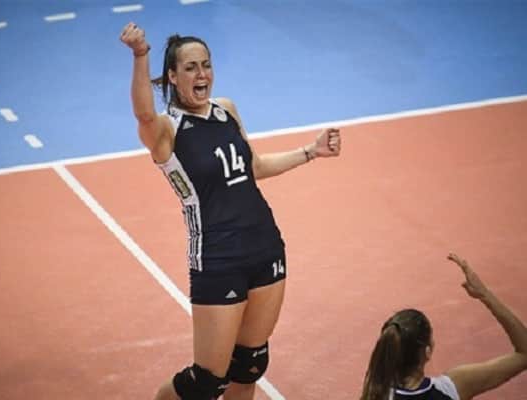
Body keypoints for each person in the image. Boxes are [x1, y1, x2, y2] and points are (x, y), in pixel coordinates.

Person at [119, 22, 341, 400]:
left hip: (265, 246)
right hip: (217, 257)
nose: (202, 74)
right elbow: (143, 115)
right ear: (172, 76)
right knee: (206, 382)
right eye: (190, 68)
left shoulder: (227, 110)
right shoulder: (166, 130)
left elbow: (254, 167)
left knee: (249, 364)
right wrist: (141, 55)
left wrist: (310, 151)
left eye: (206, 65)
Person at [360, 253, 527, 400]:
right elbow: (524, 352)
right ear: (427, 352)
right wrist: (485, 294)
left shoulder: (375, 394)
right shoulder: (455, 387)